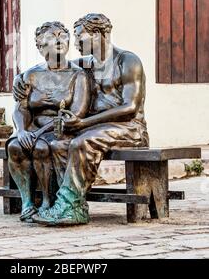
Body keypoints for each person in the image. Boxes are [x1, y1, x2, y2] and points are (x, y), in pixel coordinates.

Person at [15, 13, 149, 226]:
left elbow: (130, 107)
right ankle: (69, 204)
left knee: (80, 142)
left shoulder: (127, 60)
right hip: (95, 127)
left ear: (99, 34)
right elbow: (50, 65)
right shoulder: (86, 63)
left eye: (79, 37)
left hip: (129, 128)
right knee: (59, 143)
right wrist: (19, 79)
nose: (74, 42)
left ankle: (70, 206)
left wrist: (84, 123)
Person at [7, 21, 90, 222]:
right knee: (16, 147)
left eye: (63, 35)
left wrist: (42, 130)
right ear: (40, 46)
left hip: (61, 130)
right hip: (32, 129)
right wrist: (21, 131)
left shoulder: (77, 75)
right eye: (52, 37)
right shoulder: (31, 75)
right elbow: (21, 108)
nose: (59, 40)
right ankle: (27, 202)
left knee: (41, 149)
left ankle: (47, 201)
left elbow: (77, 111)